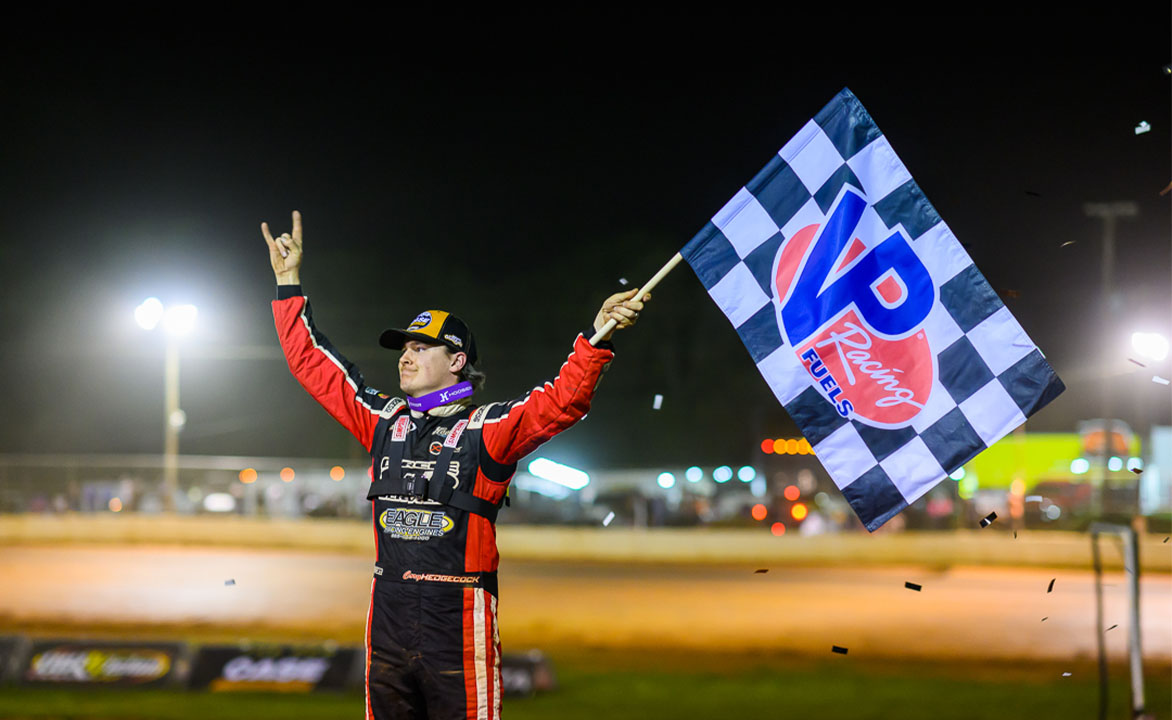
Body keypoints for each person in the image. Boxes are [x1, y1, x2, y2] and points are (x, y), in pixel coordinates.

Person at [262, 211, 647, 720]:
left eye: (422, 348)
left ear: (458, 361)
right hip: (388, 615)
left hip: (459, 619)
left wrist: (597, 338)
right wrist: (289, 284)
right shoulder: (382, 419)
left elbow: (560, 402)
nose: (406, 356)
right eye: (404, 348)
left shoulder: (488, 428)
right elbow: (314, 367)